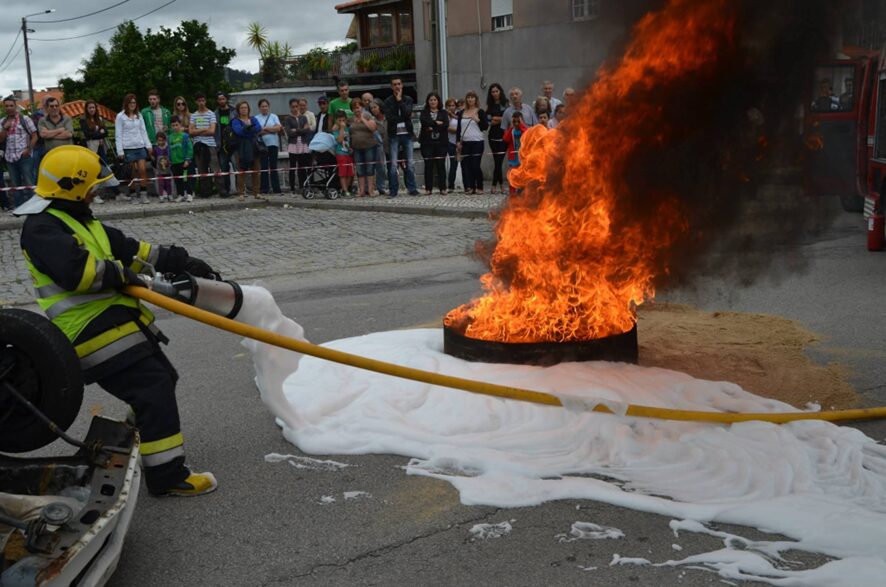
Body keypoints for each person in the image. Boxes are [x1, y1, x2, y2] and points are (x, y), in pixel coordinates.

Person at [16, 144, 219, 497]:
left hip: (111, 319)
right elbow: (77, 273)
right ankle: (167, 477)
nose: (97, 192)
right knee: (152, 386)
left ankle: (136, 436)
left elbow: (134, 249)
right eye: (92, 185)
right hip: (87, 330)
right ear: (75, 186)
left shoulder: (80, 218)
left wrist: (182, 261)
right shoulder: (41, 228)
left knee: (160, 379)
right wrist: (126, 275)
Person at [384, 77, 420, 197]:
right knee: (393, 164)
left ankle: (412, 188)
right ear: (391, 87)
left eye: (399, 84)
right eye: (394, 84)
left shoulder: (408, 99)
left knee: (410, 163)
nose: (397, 86)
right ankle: (393, 190)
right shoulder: (388, 101)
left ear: (402, 85)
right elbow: (390, 118)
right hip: (394, 135)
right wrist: (401, 114)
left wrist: (400, 101)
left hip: (407, 135)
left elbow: (407, 114)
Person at [0, 95, 38, 207]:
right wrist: (4, 128)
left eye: (11, 105)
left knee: (29, 182)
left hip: (24, 156)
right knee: (15, 185)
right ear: (4, 107)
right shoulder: (2, 121)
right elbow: (0, 140)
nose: (9, 108)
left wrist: (28, 149)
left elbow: (35, 136)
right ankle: (19, 207)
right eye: (6, 106)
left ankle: (33, 207)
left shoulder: (25, 119)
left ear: (15, 106)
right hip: (10, 157)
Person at [115, 93, 153, 204]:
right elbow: (118, 134)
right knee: (131, 172)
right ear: (126, 103)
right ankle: (132, 194)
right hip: (128, 147)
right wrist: (120, 150)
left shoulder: (139, 115)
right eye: (130, 102)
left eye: (134, 102)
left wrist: (148, 145)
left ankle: (143, 194)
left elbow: (143, 131)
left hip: (140, 146)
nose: (132, 104)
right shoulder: (120, 116)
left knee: (142, 170)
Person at [188, 92, 220, 198]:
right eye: (199, 101)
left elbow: (212, 131)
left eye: (203, 100)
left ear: (205, 101)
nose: (201, 103)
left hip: (210, 144)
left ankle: (220, 189)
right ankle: (205, 190)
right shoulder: (193, 115)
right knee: (202, 169)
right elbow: (191, 132)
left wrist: (198, 130)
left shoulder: (211, 114)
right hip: (198, 144)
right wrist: (204, 129)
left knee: (214, 167)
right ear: (196, 102)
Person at [231, 100, 263, 201]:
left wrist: (247, 129)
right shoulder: (235, 121)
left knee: (256, 170)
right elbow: (239, 131)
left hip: (254, 147)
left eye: (245, 107)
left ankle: (257, 192)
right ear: (238, 110)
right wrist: (248, 129)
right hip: (241, 147)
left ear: (248, 109)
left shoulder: (253, 119)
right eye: (242, 108)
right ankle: (241, 193)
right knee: (241, 171)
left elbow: (258, 128)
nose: (244, 109)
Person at [457, 90, 488, 195]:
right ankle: (470, 187)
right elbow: (458, 128)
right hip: (465, 142)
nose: (470, 99)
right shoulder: (461, 112)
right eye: (468, 97)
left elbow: (485, 126)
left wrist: (477, 120)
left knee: (475, 165)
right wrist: (458, 141)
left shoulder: (480, 111)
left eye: (472, 97)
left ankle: (479, 186)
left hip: (477, 142)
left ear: (476, 99)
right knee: (467, 165)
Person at [419, 92, 449, 195]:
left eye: (434, 99)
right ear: (428, 101)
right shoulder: (424, 112)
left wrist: (432, 126)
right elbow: (424, 122)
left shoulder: (443, 112)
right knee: (428, 165)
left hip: (441, 143)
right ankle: (428, 188)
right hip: (427, 143)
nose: (433, 101)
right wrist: (437, 123)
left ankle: (443, 188)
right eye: (431, 100)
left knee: (441, 165)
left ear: (438, 101)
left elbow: (445, 125)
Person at [349, 98, 377, 197]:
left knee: (370, 168)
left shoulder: (368, 116)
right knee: (360, 169)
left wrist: (363, 119)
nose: (357, 110)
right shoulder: (351, 119)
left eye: (358, 107)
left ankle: (370, 190)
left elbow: (373, 128)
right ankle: (361, 191)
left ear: (362, 107)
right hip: (356, 147)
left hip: (369, 146)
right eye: (354, 108)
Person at [285, 98, 312, 194]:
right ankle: (292, 187)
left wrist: (296, 130)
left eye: (297, 106)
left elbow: (307, 131)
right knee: (292, 167)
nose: (295, 108)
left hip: (303, 144)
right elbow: (289, 133)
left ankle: (302, 185)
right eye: (293, 107)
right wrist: (300, 130)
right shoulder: (288, 119)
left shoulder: (303, 117)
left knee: (302, 166)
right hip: (293, 144)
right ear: (290, 107)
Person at [256, 98, 283, 196]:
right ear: (259, 108)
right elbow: (257, 131)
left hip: (273, 144)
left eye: (266, 106)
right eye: (262, 106)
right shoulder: (256, 118)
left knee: (273, 166)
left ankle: (276, 188)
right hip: (262, 145)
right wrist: (271, 129)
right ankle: (264, 188)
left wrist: (266, 128)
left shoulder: (273, 116)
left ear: (268, 107)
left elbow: (278, 128)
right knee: (263, 166)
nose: (264, 108)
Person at [485, 83, 508, 195]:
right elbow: (489, 121)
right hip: (493, 136)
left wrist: (496, 118)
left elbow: (507, 118)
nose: (495, 93)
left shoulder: (506, 104)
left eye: (496, 91)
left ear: (500, 92)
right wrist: (500, 118)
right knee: (496, 160)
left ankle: (496, 184)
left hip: (504, 136)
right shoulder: (490, 105)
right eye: (493, 92)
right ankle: (501, 185)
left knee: (499, 161)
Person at [215, 92, 237, 197]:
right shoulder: (215, 113)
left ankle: (240, 189)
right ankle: (226, 190)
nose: (221, 101)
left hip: (233, 143)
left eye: (223, 99)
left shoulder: (234, 111)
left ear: (226, 99)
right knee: (224, 168)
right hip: (222, 144)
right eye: (219, 99)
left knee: (236, 167)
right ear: (217, 101)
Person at [168, 115, 194, 202]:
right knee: (177, 180)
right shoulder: (170, 137)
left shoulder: (185, 136)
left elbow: (190, 148)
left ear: (180, 124)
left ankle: (189, 194)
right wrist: (169, 160)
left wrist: (187, 159)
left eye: (176, 125)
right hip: (175, 162)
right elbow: (169, 149)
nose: (175, 127)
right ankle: (181, 194)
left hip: (184, 162)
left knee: (186, 179)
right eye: (173, 125)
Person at [503, 110, 528, 196]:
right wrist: (510, 127)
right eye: (515, 121)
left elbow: (526, 135)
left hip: (522, 157)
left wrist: (521, 125)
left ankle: (522, 192)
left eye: (518, 121)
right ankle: (512, 193)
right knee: (512, 175)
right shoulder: (512, 130)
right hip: (513, 157)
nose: (516, 123)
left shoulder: (525, 129)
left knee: (523, 176)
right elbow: (505, 139)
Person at [369, 98, 388, 196]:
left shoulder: (388, 117)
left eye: (375, 107)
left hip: (389, 144)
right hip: (377, 146)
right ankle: (381, 187)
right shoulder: (372, 121)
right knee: (380, 166)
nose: (373, 110)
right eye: (371, 108)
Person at [332, 110, 354, 195]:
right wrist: (341, 128)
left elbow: (349, 140)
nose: (342, 122)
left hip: (348, 153)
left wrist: (351, 148)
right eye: (339, 120)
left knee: (350, 173)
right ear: (336, 120)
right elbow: (340, 140)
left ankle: (345, 189)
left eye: (343, 120)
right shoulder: (336, 130)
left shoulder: (347, 128)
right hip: (341, 153)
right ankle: (345, 190)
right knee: (343, 173)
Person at [152, 131, 173, 202]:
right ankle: (161, 195)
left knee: (168, 182)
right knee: (160, 183)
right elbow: (154, 158)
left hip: (167, 169)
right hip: (159, 170)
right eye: (158, 140)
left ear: (165, 140)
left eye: (162, 140)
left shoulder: (168, 148)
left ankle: (169, 194)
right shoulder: (156, 149)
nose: (160, 142)